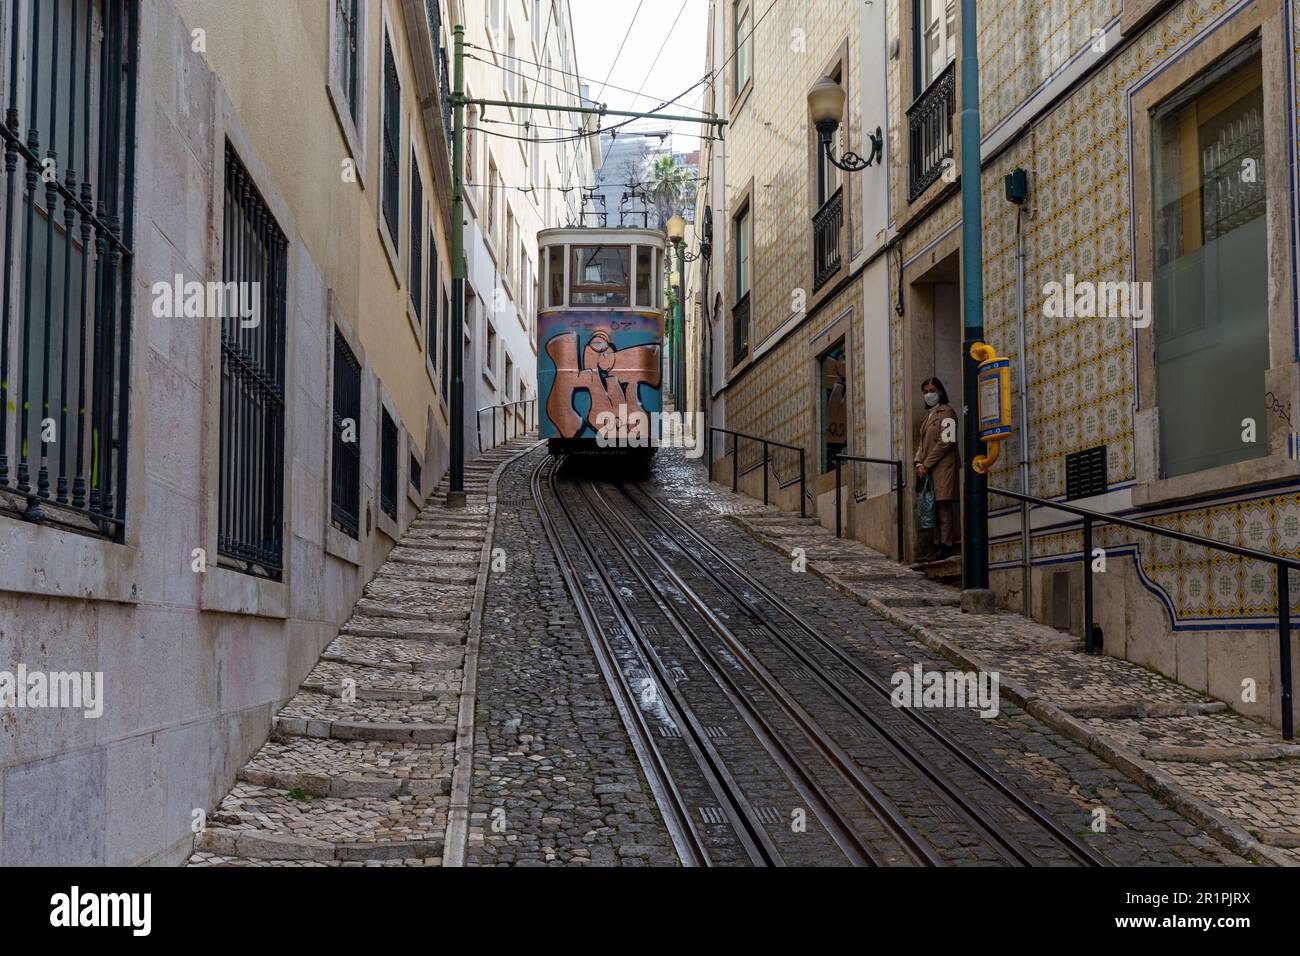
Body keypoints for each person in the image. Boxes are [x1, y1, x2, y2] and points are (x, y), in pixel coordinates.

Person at [914, 377, 960, 561]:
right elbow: (922, 445)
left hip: (943, 467)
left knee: (943, 505)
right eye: (925, 392)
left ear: (940, 392)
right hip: (928, 469)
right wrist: (918, 462)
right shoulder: (929, 416)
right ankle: (935, 545)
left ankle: (946, 545)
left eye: (931, 390)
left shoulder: (947, 412)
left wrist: (927, 463)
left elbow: (946, 442)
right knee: (932, 507)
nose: (928, 395)